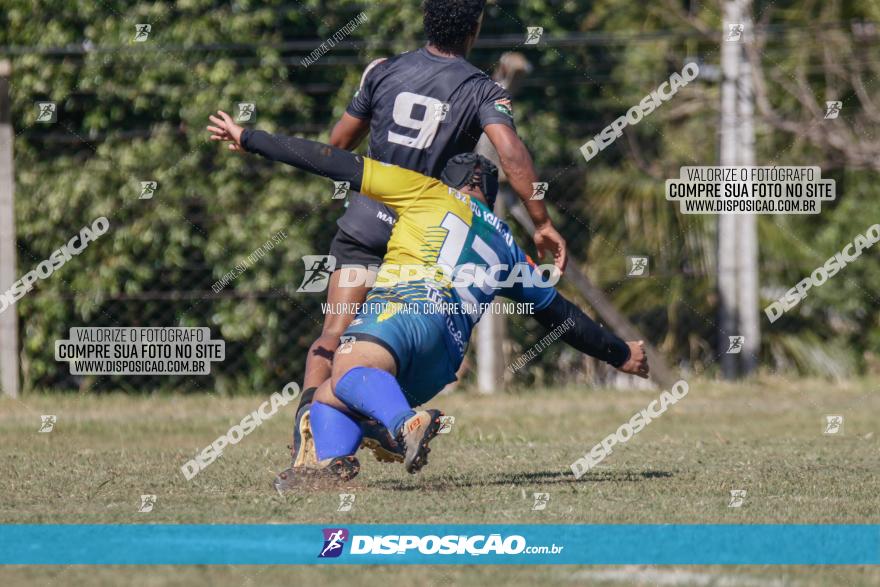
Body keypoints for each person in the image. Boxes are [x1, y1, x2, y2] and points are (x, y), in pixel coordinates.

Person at [205, 112, 649, 488]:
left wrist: (251, 138)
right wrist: (620, 353)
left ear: (447, 182)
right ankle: (330, 465)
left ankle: (403, 424)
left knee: (347, 370)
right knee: (326, 398)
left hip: (406, 312)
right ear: (489, 200)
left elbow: (330, 160)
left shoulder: (423, 190)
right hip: (441, 362)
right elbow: (562, 316)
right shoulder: (507, 246)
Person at [291, 0, 569, 469]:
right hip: (428, 234)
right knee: (405, 340)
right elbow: (511, 152)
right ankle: (386, 423)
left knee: (335, 332)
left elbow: (338, 144)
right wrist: (541, 221)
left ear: (426, 21)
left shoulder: (382, 70)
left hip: (367, 221)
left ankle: (310, 449)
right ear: (475, 29)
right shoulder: (483, 89)